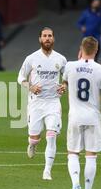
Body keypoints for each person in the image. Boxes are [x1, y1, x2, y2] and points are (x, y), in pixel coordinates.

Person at [62, 36, 101, 189]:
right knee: (91, 156)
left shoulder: (70, 66)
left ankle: (75, 185)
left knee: (73, 153)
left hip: (75, 116)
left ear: (80, 49)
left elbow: (65, 83)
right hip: (93, 117)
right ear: (96, 50)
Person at [17, 27, 67, 180]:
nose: (47, 38)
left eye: (50, 36)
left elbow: (67, 77)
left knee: (51, 135)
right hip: (36, 103)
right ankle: (32, 144)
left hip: (53, 102)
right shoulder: (31, 58)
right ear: (40, 39)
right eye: (44, 36)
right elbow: (20, 78)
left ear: (53, 39)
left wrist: (64, 85)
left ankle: (47, 171)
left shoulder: (61, 59)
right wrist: (30, 87)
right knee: (34, 136)